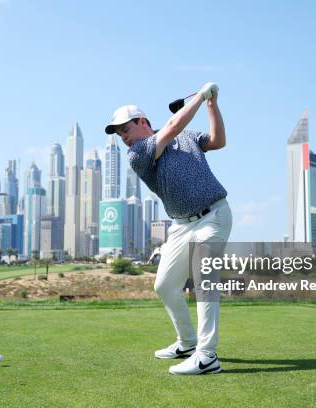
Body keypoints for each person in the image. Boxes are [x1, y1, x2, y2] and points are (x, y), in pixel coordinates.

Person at [104, 83, 232, 375]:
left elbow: (217, 141)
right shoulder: (138, 154)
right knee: (164, 286)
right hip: (181, 225)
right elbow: (173, 126)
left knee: (204, 279)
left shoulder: (186, 136)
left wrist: (212, 104)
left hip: (214, 215)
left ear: (143, 122)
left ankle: (207, 355)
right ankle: (187, 342)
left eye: (125, 129)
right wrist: (201, 95)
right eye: (119, 133)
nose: (123, 137)